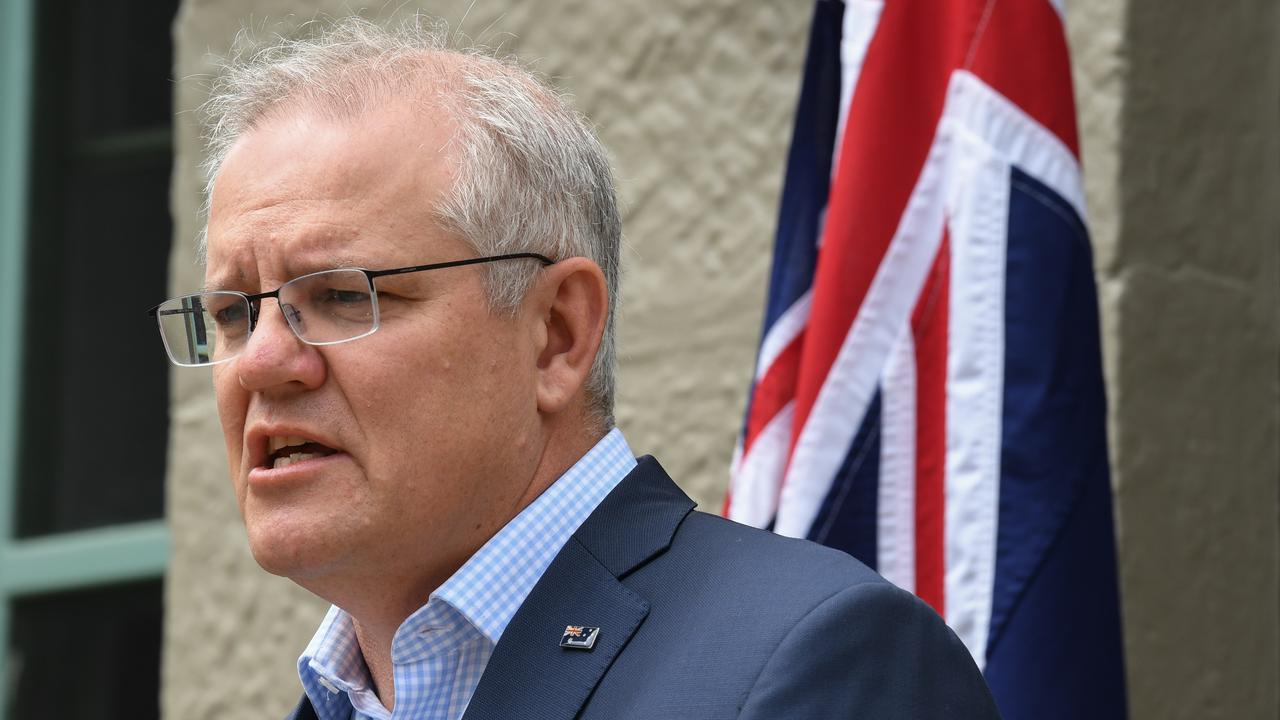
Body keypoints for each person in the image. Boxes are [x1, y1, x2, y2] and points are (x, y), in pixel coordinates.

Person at [150, 16, 1001, 720]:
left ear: (557, 333)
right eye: (232, 312)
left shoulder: (806, 662)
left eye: (340, 296)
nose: (261, 361)